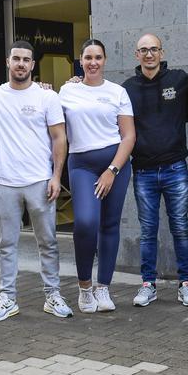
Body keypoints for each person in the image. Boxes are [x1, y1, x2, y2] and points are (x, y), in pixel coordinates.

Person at [0, 41, 71, 321]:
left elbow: (59, 137)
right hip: (5, 181)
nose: (21, 64)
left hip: (40, 180)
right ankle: (7, 298)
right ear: (7, 61)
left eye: (26, 60)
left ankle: (52, 295)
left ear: (32, 65)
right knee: (7, 243)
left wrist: (56, 176)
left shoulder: (46, 97)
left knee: (48, 241)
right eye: (16, 58)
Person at [59, 39, 135, 313]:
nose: (93, 62)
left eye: (98, 57)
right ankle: (84, 288)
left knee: (110, 224)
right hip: (81, 164)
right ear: (80, 60)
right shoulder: (66, 91)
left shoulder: (117, 92)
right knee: (86, 223)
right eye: (88, 57)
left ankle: (103, 288)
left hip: (116, 164)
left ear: (105, 60)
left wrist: (112, 170)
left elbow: (129, 136)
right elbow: (53, 127)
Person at [122, 33, 188, 307]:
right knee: (148, 230)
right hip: (142, 171)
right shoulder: (127, 88)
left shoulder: (180, 80)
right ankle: (148, 285)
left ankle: (186, 285)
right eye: (144, 50)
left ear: (162, 53)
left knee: (180, 228)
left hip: (175, 168)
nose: (149, 54)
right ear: (136, 55)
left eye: (154, 49)